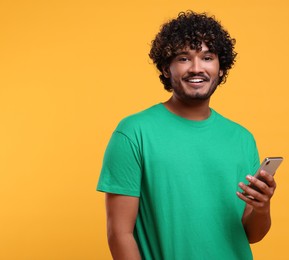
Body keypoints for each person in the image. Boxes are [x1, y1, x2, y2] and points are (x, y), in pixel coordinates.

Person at [97, 11, 277, 260]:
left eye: (207, 58)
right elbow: (119, 234)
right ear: (165, 67)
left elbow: (252, 235)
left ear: (221, 68)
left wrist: (262, 207)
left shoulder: (242, 138)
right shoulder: (133, 133)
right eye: (184, 58)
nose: (196, 68)